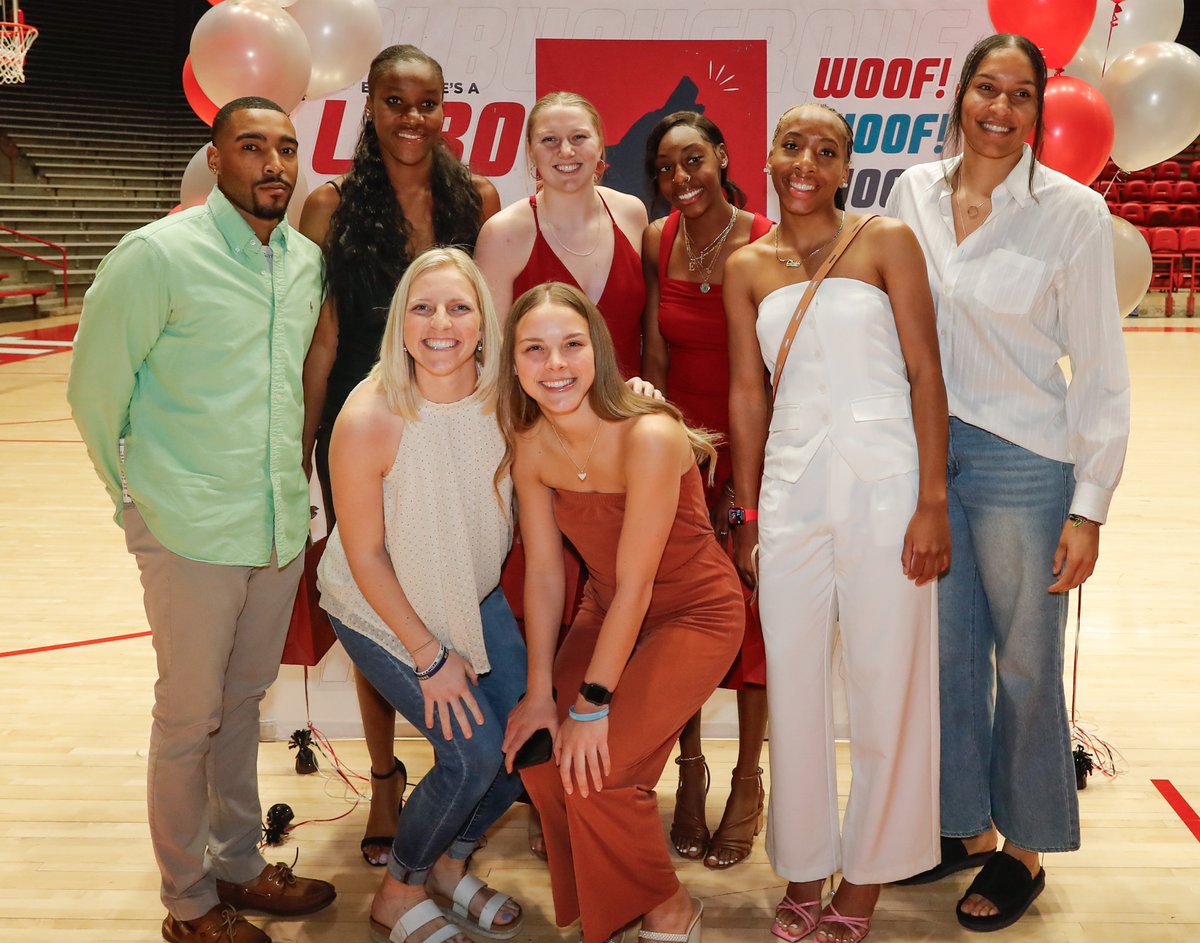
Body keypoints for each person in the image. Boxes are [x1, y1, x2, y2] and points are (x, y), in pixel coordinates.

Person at [67, 97, 336, 943]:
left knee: (241, 703)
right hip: (186, 527)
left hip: (273, 526)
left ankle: (239, 864)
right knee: (188, 717)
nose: (273, 165)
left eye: (286, 149)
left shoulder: (301, 262)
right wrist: (134, 499)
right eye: (251, 147)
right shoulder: (158, 254)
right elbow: (93, 389)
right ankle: (187, 902)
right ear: (215, 159)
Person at [885, 34, 1130, 931]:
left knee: (1024, 661)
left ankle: (1024, 846)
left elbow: (1101, 367)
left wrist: (1089, 504)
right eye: (985, 88)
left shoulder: (1072, 212)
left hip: (1024, 458)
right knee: (944, 657)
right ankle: (967, 826)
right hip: (926, 457)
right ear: (960, 96)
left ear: (1038, 109)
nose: (999, 109)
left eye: (1019, 94)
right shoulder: (912, 191)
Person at [725, 103, 949, 943]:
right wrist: (747, 507)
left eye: (827, 149)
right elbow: (749, 395)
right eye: (793, 145)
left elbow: (926, 374)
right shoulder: (749, 265)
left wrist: (932, 499)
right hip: (790, 492)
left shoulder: (886, 240)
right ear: (772, 156)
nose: (807, 160)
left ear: (847, 166)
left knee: (887, 683)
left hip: (889, 488)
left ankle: (866, 876)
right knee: (793, 682)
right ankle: (805, 860)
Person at [297, 43, 500, 867]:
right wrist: (300, 451)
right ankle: (384, 776)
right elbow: (325, 336)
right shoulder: (329, 206)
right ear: (369, 107)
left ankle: (449, 770)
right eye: (394, 101)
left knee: (445, 579)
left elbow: (483, 324)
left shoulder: (477, 200)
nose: (411, 117)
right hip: (367, 423)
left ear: (443, 111)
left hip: (449, 426)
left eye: (426, 103)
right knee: (375, 595)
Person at [499, 282, 744, 943]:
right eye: (535, 349)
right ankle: (634, 905)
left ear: (598, 353)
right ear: (514, 363)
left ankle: (664, 907)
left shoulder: (650, 433)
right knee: (542, 758)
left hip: (692, 613)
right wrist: (539, 693)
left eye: (571, 345)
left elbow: (640, 582)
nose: (555, 365)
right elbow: (548, 577)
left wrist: (589, 701)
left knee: (597, 770)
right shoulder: (530, 444)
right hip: (605, 610)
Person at [315, 247, 524, 943]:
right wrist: (431, 657)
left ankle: (448, 865)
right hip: (382, 607)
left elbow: (584, 401)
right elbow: (366, 554)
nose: (442, 323)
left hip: (473, 594)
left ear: (483, 321)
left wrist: (638, 394)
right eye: (423, 306)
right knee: (469, 755)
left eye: (459, 307)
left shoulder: (505, 398)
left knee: (524, 746)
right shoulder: (370, 414)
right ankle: (399, 887)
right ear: (400, 319)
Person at [640, 110, 773, 869]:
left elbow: (774, 368)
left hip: (753, 456)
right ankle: (688, 773)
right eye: (665, 167)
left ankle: (747, 782)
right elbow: (656, 354)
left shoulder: (763, 236)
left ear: (722, 156)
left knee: (755, 628)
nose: (681, 178)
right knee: (682, 625)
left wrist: (747, 485)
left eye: (694, 159)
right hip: (682, 456)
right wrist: (666, 459)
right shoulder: (660, 238)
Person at [475, 90, 647, 371]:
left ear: (600, 145)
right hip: (538, 412)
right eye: (549, 140)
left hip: (627, 410)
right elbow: (494, 355)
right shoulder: (502, 234)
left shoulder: (632, 214)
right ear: (531, 152)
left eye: (578, 137)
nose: (566, 151)